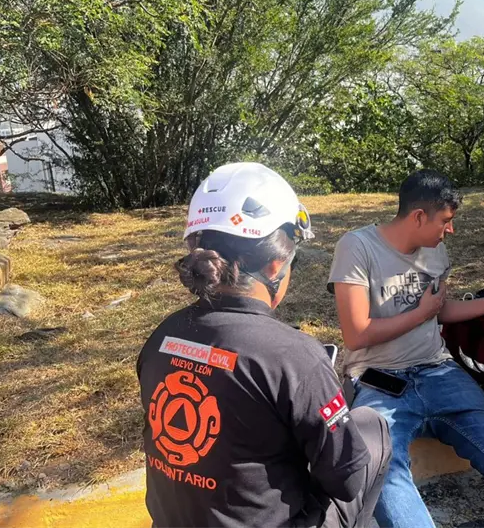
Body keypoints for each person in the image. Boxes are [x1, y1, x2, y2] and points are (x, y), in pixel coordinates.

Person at [137, 162, 392, 528]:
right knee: (374, 428)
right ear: (275, 267)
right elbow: (346, 480)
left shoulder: (162, 336)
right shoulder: (292, 355)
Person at [328, 169, 484, 528]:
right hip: (377, 381)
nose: (450, 230)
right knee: (383, 471)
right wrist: (423, 312)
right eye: (445, 221)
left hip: (438, 372)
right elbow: (357, 334)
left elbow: (441, 312)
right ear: (419, 216)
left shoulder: (436, 252)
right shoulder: (356, 247)